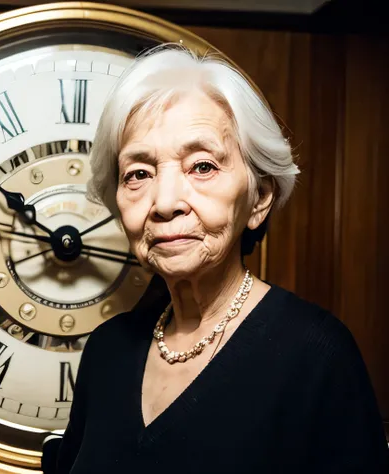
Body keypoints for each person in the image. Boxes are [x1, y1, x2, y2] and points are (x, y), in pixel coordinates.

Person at [53, 45, 389, 473]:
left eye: (202, 166)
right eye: (138, 173)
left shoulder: (317, 357)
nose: (165, 202)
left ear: (258, 199)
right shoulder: (106, 352)